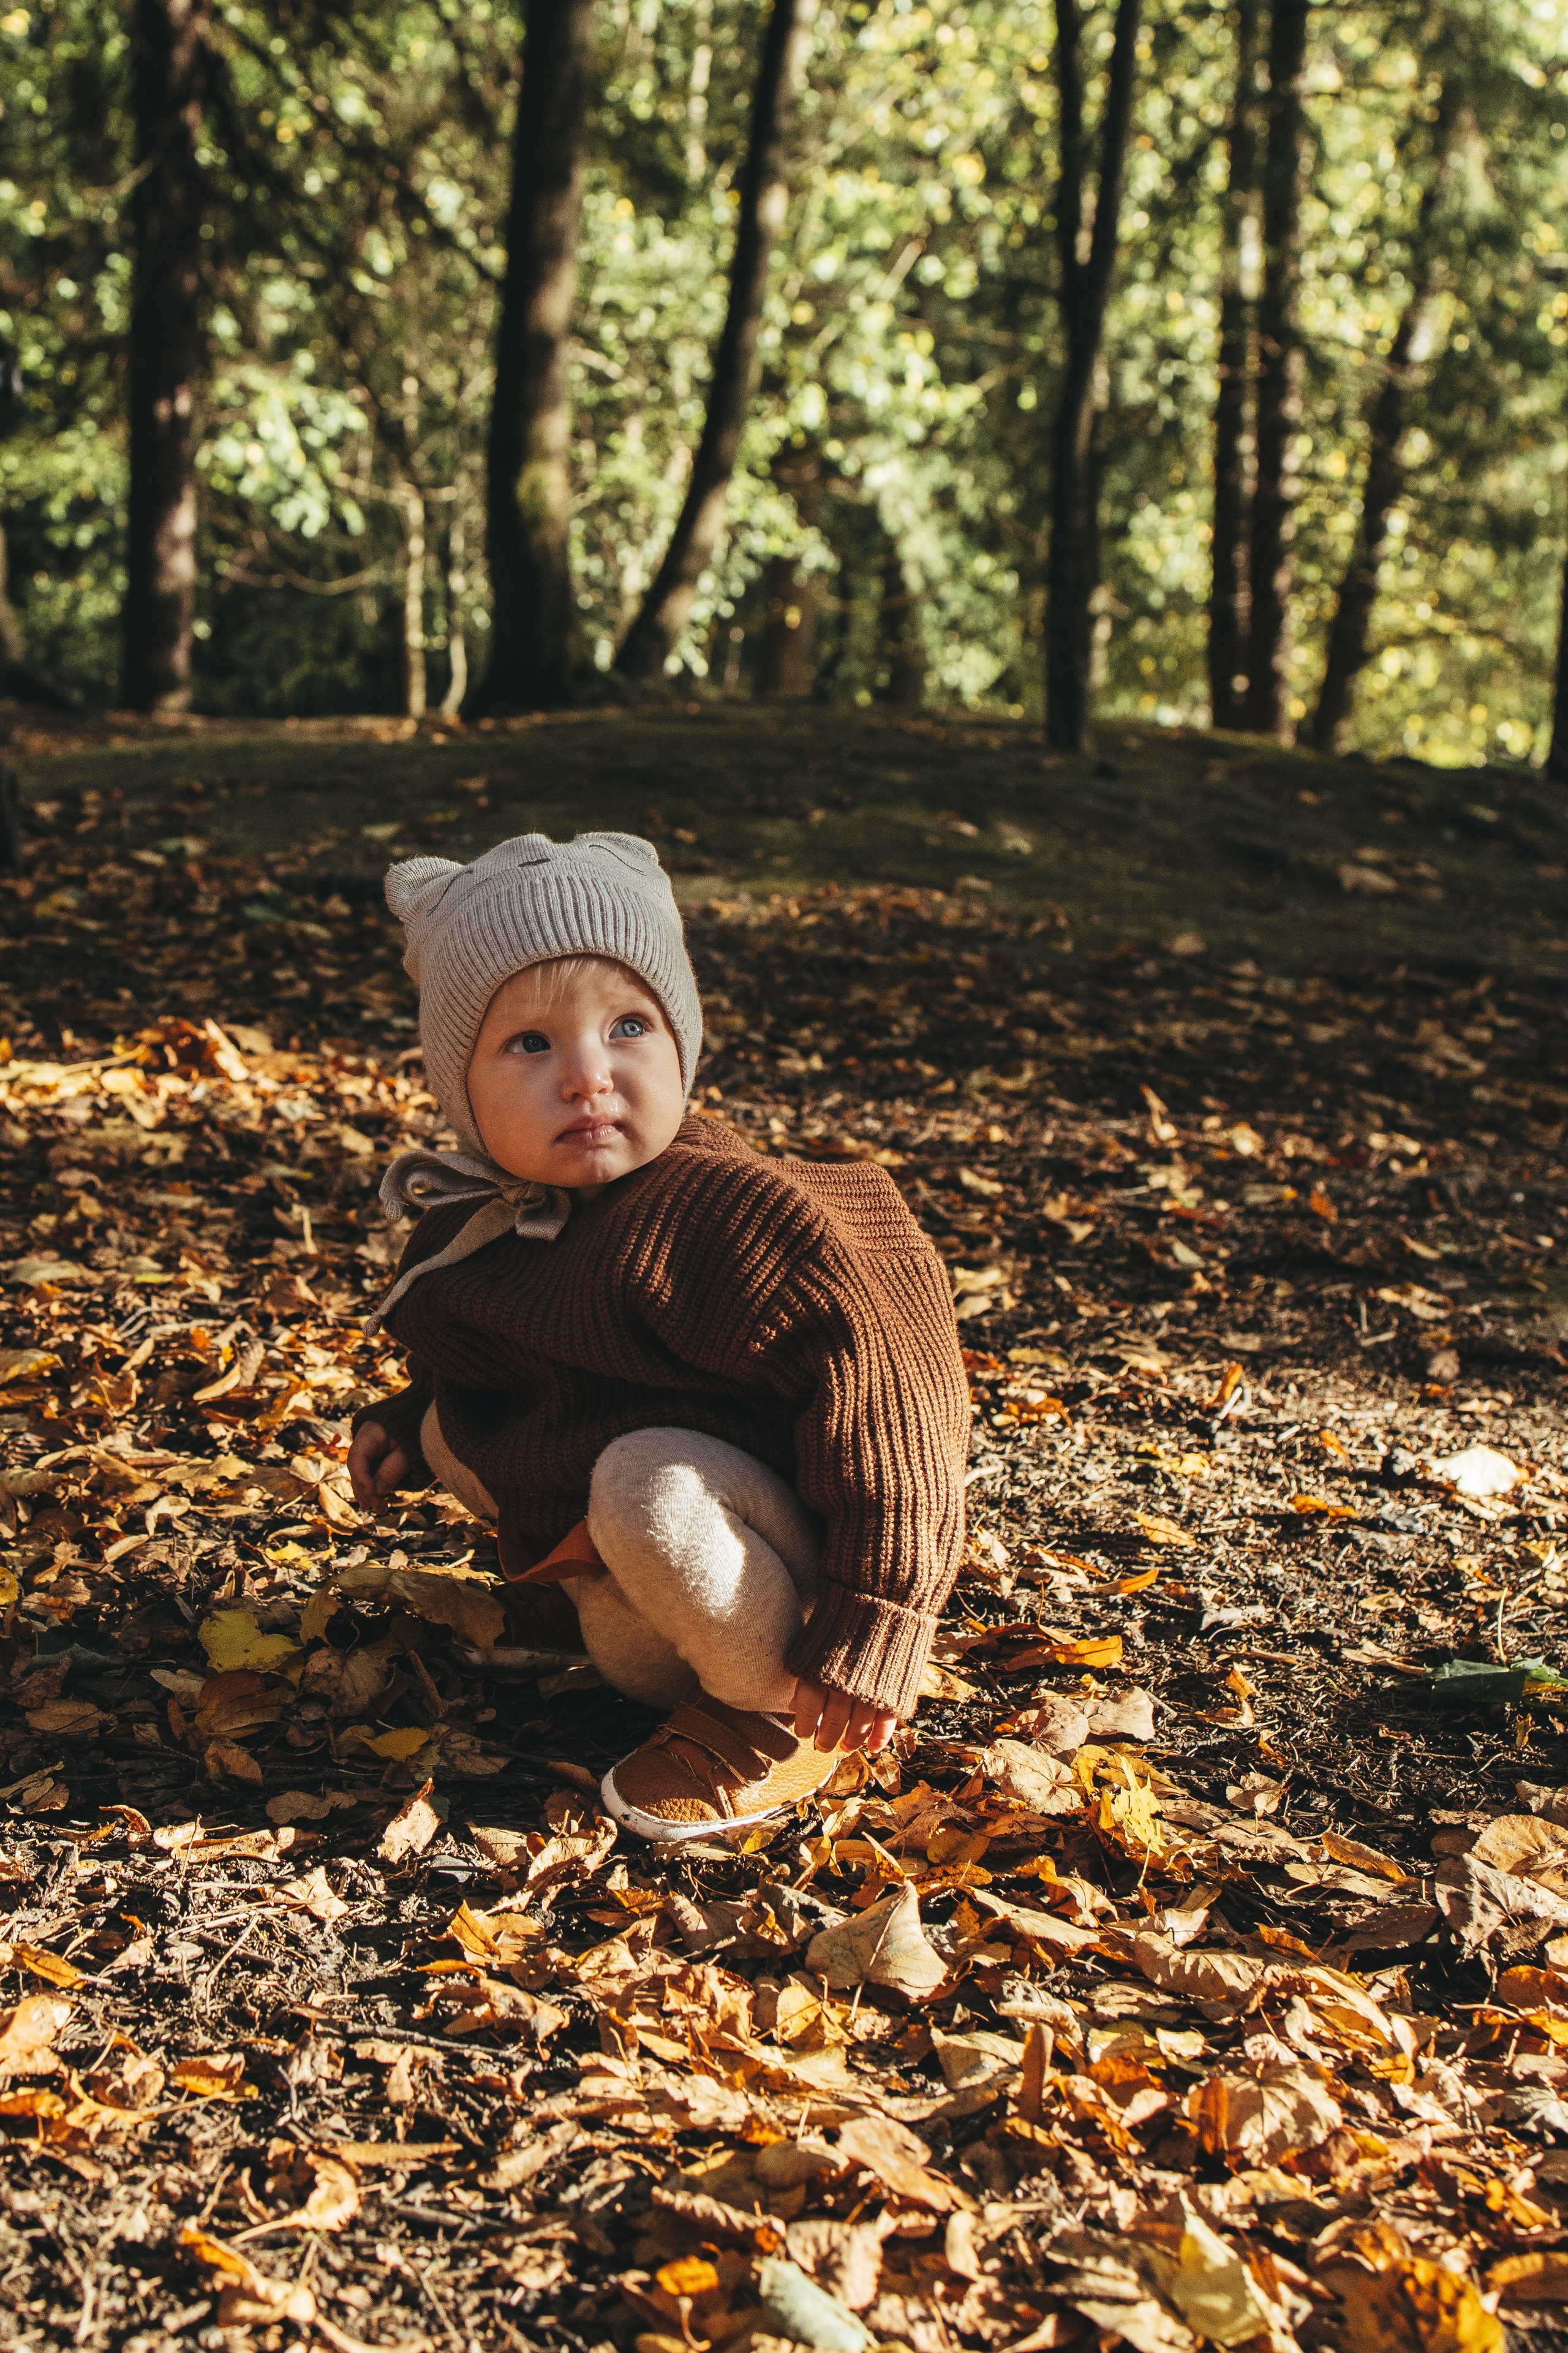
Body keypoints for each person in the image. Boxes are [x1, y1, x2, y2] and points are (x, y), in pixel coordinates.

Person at [347, 831, 969, 1841]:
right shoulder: (494, 1220)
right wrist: (414, 1422)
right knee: (466, 1431)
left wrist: (877, 1618)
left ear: (682, 1042)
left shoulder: (731, 1213)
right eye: (531, 1044)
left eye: (628, 1025)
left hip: (782, 1587)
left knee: (649, 1480)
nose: (588, 1076)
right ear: (459, 1088)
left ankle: (769, 1716)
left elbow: (898, 1405)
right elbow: (510, 1359)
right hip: (641, 1586)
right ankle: (580, 1616)